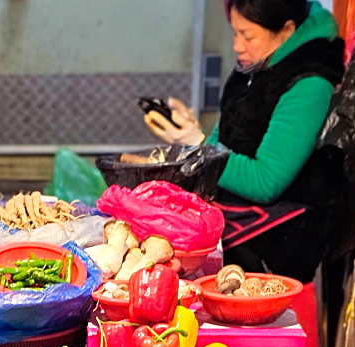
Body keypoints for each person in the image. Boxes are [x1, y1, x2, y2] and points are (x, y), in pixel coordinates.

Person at [145, 0, 344, 282]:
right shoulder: (258, 66)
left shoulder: (309, 84)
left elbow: (266, 181)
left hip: (276, 244)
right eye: (235, 33)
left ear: (287, 30)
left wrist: (201, 145)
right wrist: (193, 137)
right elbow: (224, 137)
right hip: (234, 220)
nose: (237, 46)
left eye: (247, 36)